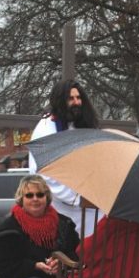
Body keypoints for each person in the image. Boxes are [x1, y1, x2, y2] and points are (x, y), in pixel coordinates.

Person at [0, 175, 79, 278]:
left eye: (40, 194)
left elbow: (78, 254)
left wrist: (63, 263)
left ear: (47, 197)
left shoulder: (64, 224)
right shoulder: (9, 228)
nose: (35, 199)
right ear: (21, 199)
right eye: (29, 195)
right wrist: (34, 266)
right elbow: (1, 269)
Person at [29, 79, 102, 237]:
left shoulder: (80, 125)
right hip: (61, 206)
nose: (77, 102)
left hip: (88, 203)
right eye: (71, 98)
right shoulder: (46, 129)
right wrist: (78, 198)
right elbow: (44, 174)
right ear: (60, 101)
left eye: (79, 98)